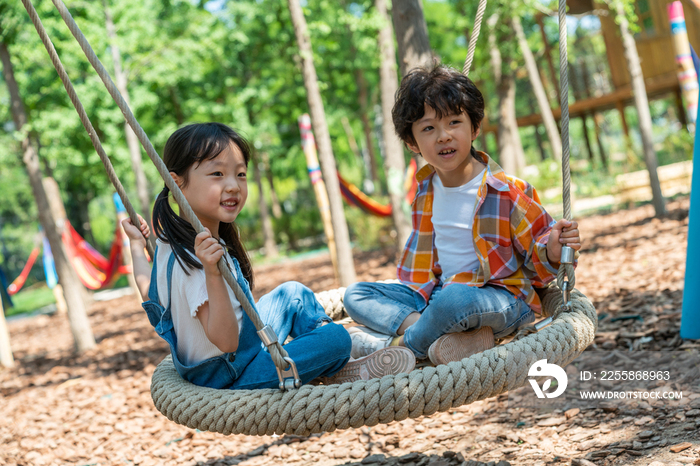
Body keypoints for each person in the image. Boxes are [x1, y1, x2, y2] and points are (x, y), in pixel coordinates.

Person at [122, 122, 415, 390]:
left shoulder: (168, 241)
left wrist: (137, 246)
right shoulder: (199, 260)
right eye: (217, 174)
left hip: (241, 351)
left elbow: (151, 293)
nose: (233, 185)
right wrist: (212, 274)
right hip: (230, 373)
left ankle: (331, 362)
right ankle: (338, 357)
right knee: (337, 340)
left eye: (240, 174)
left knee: (293, 294)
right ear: (177, 184)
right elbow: (225, 341)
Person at [343, 64, 582, 366]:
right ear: (412, 143)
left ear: (475, 128)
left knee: (455, 300)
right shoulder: (426, 189)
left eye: (454, 122)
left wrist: (553, 249)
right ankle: (445, 338)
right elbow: (430, 266)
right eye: (428, 128)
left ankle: (397, 350)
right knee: (356, 295)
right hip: (438, 295)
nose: (444, 136)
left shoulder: (506, 191)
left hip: (498, 299)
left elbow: (542, 260)